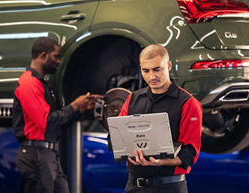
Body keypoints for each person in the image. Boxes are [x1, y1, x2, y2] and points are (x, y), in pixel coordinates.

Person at [109, 44, 202, 193]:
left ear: (169, 65)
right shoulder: (132, 99)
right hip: (134, 186)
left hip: (169, 188)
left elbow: (189, 154)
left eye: (157, 69)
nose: (152, 76)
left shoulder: (188, 103)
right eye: (146, 71)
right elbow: (114, 138)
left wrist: (160, 162)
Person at [12, 37, 100, 193]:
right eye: (56, 56)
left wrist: (80, 108)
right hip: (37, 155)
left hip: (47, 154)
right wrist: (74, 106)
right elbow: (46, 122)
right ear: (44, 55)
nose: (59, 61)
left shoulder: (40, 84)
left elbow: (58, 120)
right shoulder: (29, 83)